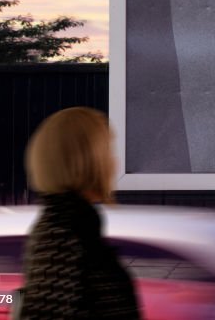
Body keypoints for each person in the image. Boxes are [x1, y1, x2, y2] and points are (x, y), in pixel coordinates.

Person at [18, 107, 141, 319]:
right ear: (87, 160)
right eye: (108, 151)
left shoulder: (75, 226)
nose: (114, 162)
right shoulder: (61, 234)